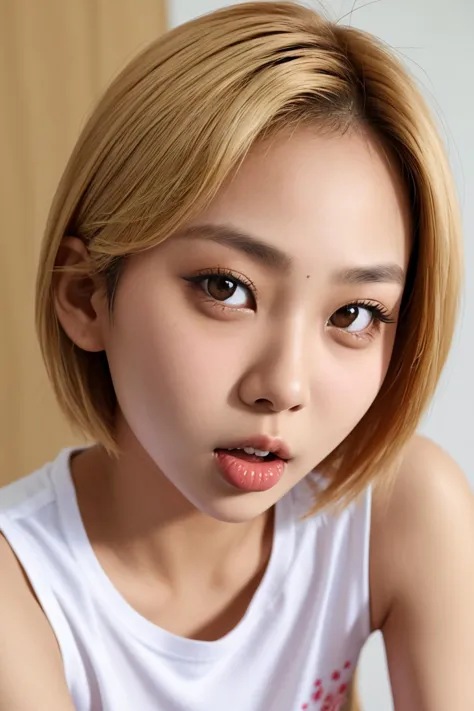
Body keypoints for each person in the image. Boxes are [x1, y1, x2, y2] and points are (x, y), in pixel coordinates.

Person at [1, 2, 473, 710]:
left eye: (353, 314)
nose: (283, 385)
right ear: (87, 296)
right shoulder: (21, 588)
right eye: (227, 288)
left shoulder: (401, 512)